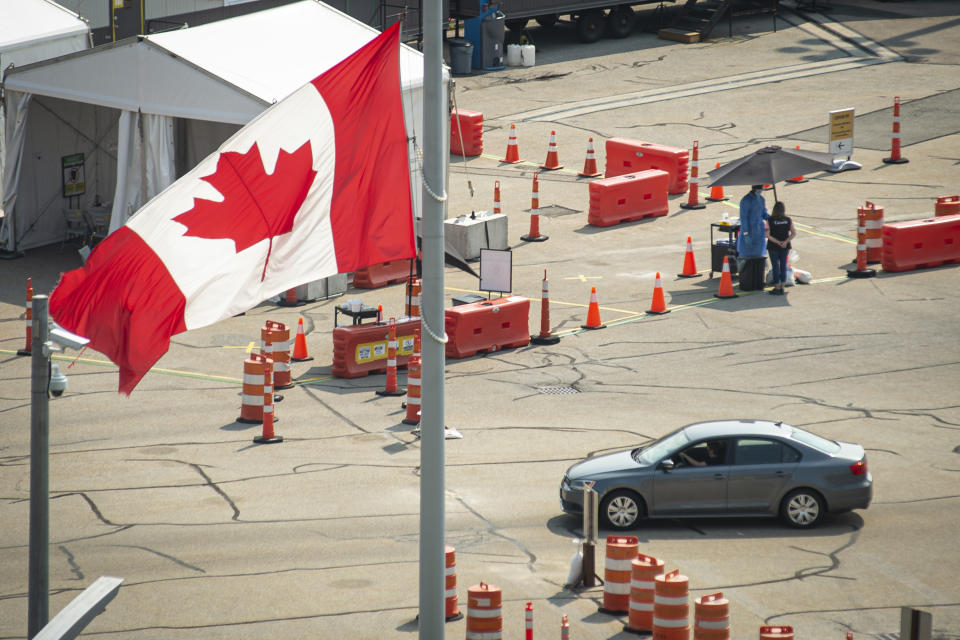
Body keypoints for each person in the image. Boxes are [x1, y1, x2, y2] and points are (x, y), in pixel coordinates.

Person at [766, 201, 796, 295]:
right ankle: (782, 287)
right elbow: (794, 233)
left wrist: (777, 242)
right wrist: (785, 241)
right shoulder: (788, 220)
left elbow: (767, 235)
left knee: (775, 266)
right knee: (783, 266)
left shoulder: (770, 220)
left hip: (773, 246)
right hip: (785, 247)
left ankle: (776, 287)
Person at [736, 185, 769, 260]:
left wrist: (772, 218)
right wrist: (745, 233)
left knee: (759, 255)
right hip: (749, 231)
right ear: (754, 188)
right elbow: (743, 218)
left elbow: (764, 213)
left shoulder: (761, 199)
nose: (760, 191)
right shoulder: (746, 200)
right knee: (746, 257)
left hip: (759, 232)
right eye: (759, 189)